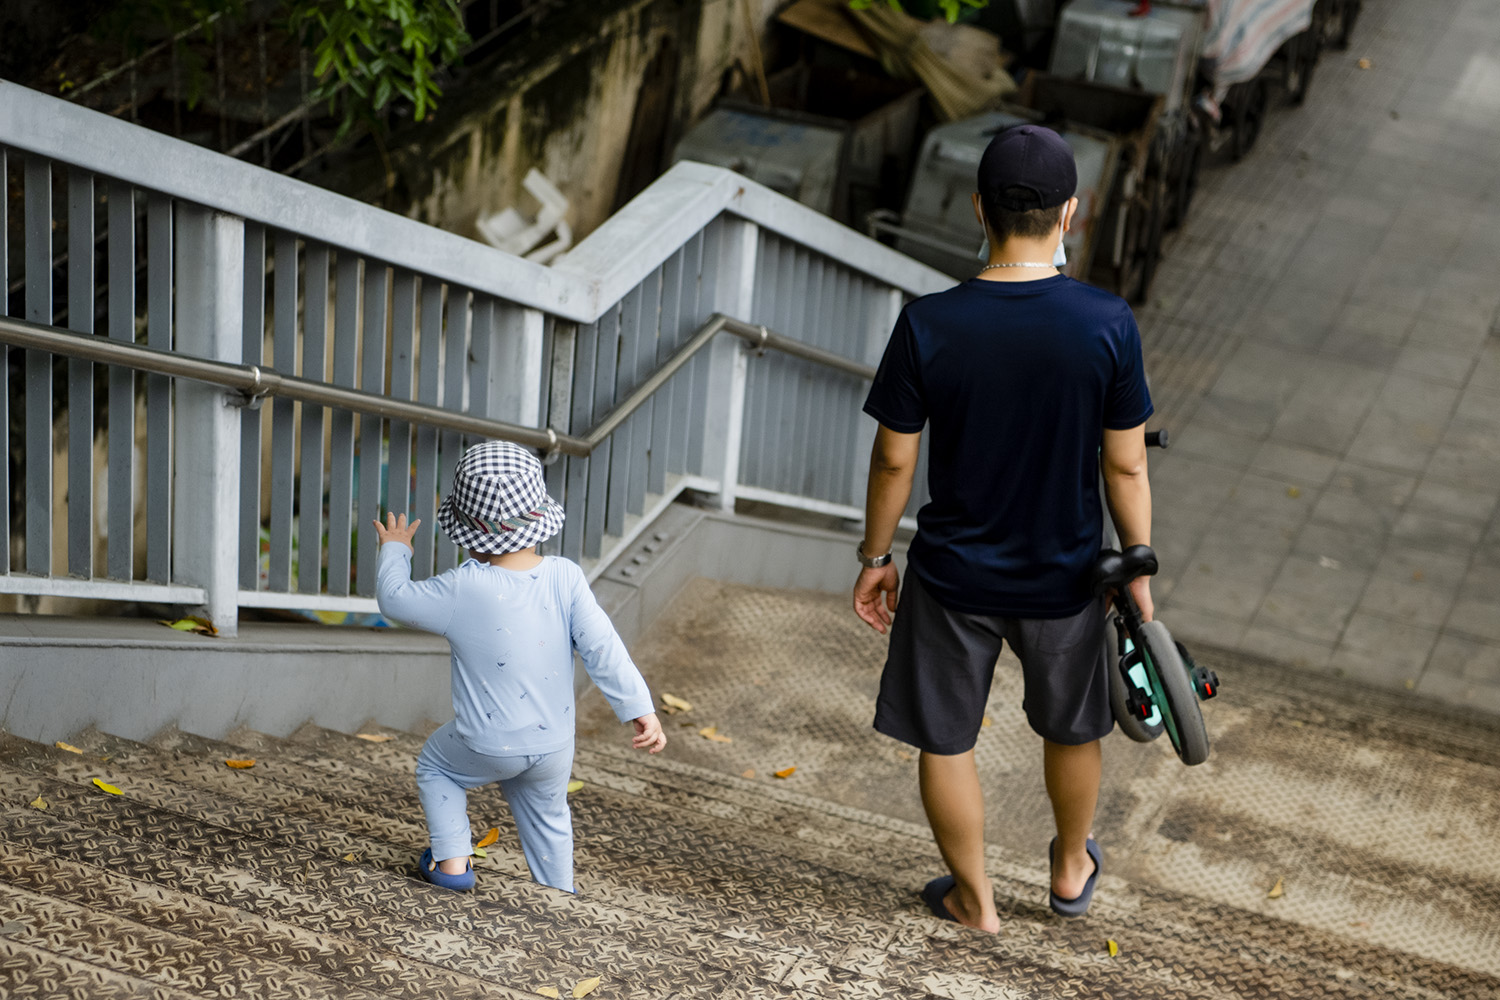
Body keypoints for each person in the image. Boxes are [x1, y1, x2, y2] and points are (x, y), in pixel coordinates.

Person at [852, 124, 1154, 932]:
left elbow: (893, 464)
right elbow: (1124, 468)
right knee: (1073, 725)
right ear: (1072, 215)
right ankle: (1066, 868)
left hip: (954, 575)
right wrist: (1139, 572)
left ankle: (975, 901)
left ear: (978, 209)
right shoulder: (1106, 323)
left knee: (946, 739)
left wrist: (878, 556)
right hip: (1066, 576)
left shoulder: (929, 324)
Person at [374, 439, 667, 893]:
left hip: (488, 741)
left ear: (469, 531)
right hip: (553, 744)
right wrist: (638, 708)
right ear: (538, 519)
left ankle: (452, 865)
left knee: (437, 766)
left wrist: (396, 549)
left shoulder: (462, 587)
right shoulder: (565, 577)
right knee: (550, 817)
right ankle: (559, 893)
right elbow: (603, 647)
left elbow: (394, 600)